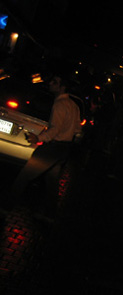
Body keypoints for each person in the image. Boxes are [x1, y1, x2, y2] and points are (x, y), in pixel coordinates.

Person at [9, 73, 82, 220]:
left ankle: (5, 205)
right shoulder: (74, 106)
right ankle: (50, 214)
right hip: (64, 149)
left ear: (62, 87)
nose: (50, 84)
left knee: (24, 176)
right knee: (52, 180)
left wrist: (39, 138)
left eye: (54, 82)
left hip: (53, 147)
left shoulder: (60, 105)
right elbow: (77, 130)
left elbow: (55, 129)